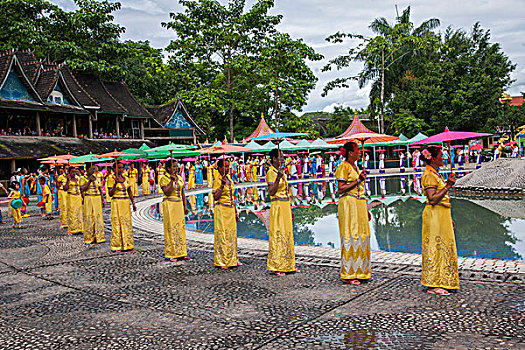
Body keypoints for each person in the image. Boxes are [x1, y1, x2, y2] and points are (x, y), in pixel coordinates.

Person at [420, 147, 459, 296]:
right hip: (434, 215)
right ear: (433, 158)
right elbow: (433, 198)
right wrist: (448, 186)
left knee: (444, 246)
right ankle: (433, 283)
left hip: (442, 215)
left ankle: (444, 279)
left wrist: (449, 218)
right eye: (441, 156)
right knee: (435, 246)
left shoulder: (435, 174)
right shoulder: (429, 175)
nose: (444, 158)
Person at [335, 142, 372, 285]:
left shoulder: (355, 167)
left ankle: (362, 271)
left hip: (359, 203)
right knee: (351, 235)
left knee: (363, 234)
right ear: (350, 153)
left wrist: (366, 209)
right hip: (349, 204)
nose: (359, 153)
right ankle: (350, 273)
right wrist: (359, 180)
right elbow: (341, 188)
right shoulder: (343, 167)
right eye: (357, 150)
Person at [266, 148, 297, 277]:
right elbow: (272, 192)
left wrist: (290, 208)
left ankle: (288, 264)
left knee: (287, 233)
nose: (283, 159)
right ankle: (277, 265)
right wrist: (278, 178)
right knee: (278, 233)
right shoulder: (271, 173)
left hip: (285, 205)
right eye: (280, 157)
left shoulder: (281, 172)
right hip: (277, 205)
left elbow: (286, 192)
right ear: (274, 159)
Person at [212, 158, 241, 269]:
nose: (227, 168)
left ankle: (233, 258)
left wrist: (235, 211)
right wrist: (222, 186)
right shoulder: (217, 181)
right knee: (223, 235)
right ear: (219, 168)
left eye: (228, 166)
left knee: (231, 234)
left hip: (230, 209)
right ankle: (223, 260)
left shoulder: (230, 180)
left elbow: (232, 197)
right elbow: (215, 197)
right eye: (225, 166)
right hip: (221, 210)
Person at [160, 162, 189, 261]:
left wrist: (185, 206)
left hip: (178, 204)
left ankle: (181, 251)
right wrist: (171, 182)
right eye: (174, 166)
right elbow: (167, 192)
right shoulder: (164, 178)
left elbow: (182, 193)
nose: (176, 168)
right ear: (168, 168)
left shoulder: (179, 178)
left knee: (180, 228)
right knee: (171, 228)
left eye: (177, 166)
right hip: (169, 204)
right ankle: (172, 252)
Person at [107, 162, 136, 252]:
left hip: (125, 202)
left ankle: (128, 244)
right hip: (116, 202)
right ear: (113, 169)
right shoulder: (111, 179)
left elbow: (129, 191)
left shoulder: (126, 178)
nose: (121, 169)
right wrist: (115, 184)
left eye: (122, 167)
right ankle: (117, 245)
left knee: (126, 222)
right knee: (117, 223)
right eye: (118, 168)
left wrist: (133, 203)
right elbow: (110, 193)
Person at [80, 166, 105, 244]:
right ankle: (89, 237)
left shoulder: (96, 177)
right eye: (91, 168)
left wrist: (102, 199)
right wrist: (89, 181)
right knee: (89, 216)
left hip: (97, 198)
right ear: (87, 169)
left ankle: (99, 237)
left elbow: (100, 188)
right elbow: (82, 189)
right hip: (89, 198)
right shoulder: (83, 178)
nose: (93, 170)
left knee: (97, 216)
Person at [64, 167, 83, 236]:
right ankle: (71, 229)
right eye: (72, 172)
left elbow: (81, 188)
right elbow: (65, 188)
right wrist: (67, 180)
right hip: (71, 197)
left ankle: (80, 228)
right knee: (72, 212)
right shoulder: (68, 179)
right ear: (69, 173)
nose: (74, 173)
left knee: (79, 212)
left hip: (78, 197)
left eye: (74, 172)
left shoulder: (78, 178)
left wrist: (83, 197)